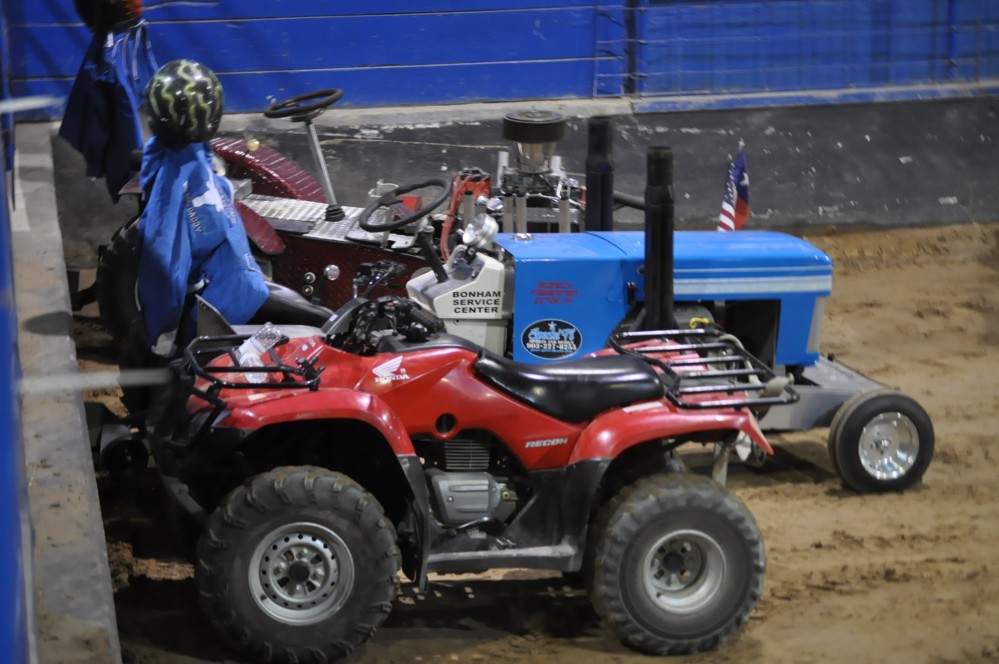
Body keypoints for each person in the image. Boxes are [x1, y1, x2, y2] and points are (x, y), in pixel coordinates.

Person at [136, 59, 269, 355]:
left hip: (222, 305)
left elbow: (163, 266)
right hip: (239, 289)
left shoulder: (171, 188)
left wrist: (161, 336)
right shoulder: (208, 173)